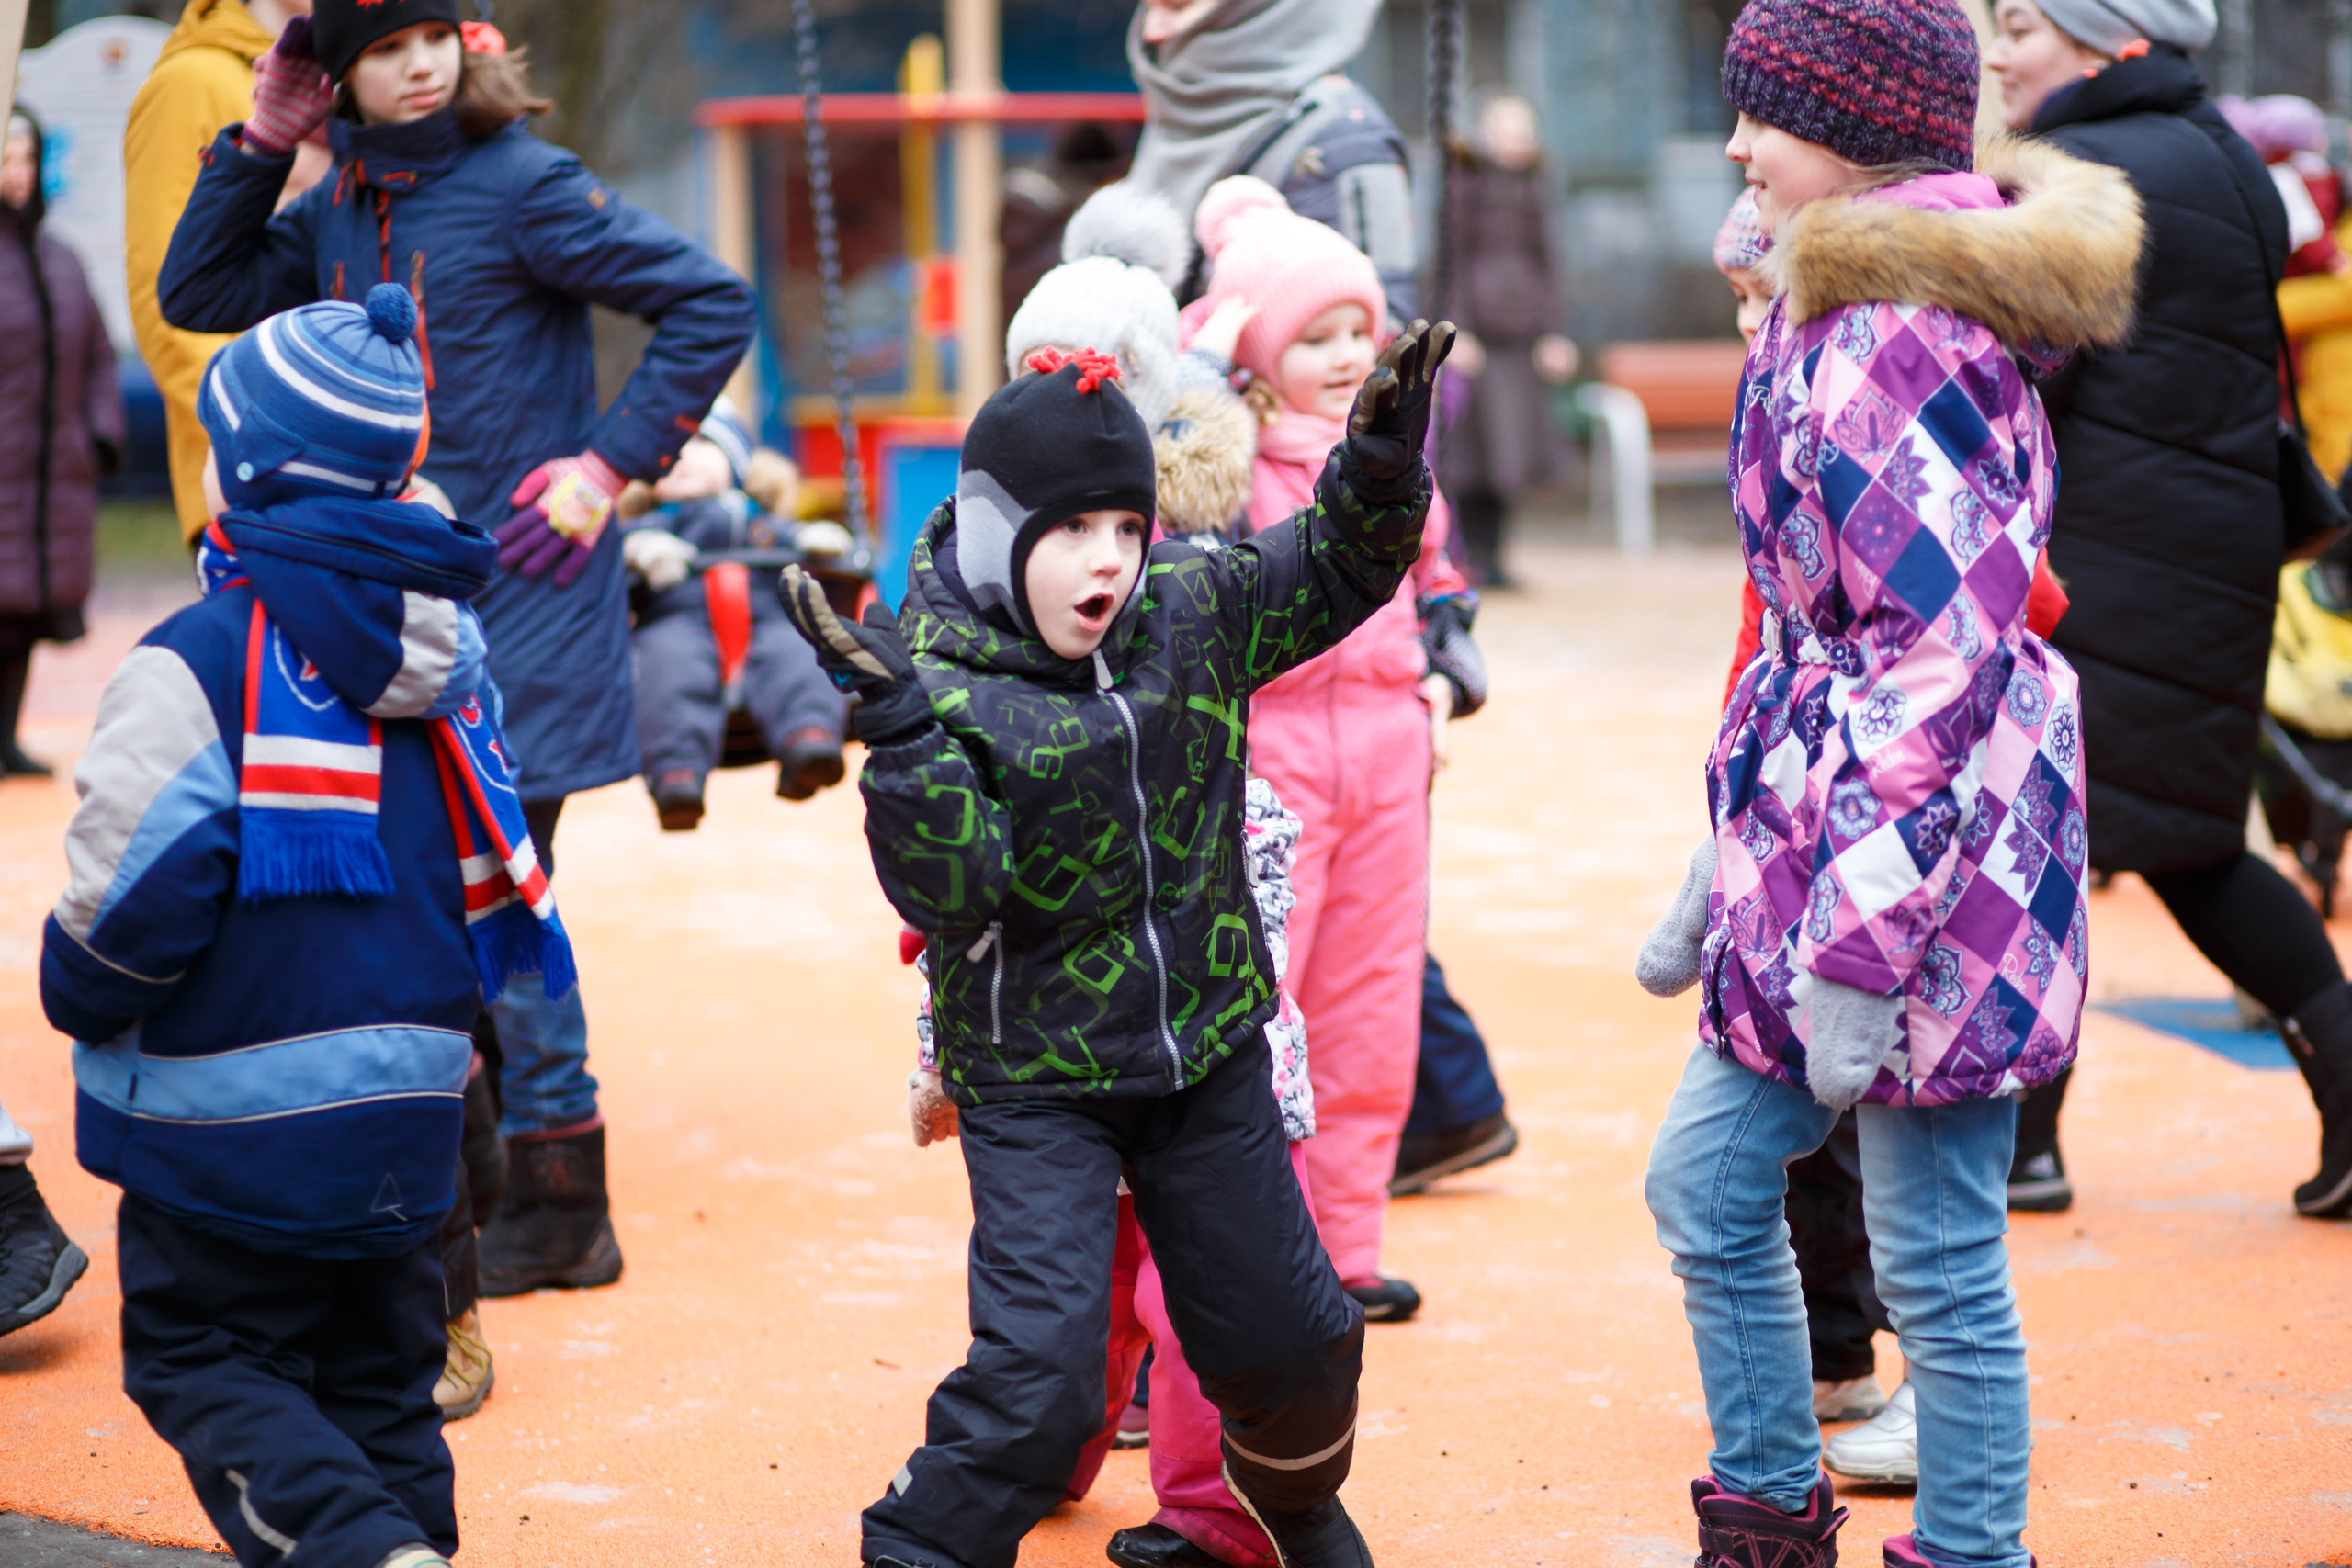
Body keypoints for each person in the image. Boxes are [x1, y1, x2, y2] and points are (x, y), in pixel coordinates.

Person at [779, 320, 1457, 1568]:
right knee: (1039, 1390)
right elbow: (954, 894)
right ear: (998, 534)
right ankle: (920, 1547)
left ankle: (1291, 1508)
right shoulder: (941, 682)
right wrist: (907, 742)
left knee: (1297, 1342)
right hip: (1037, 1077)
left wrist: (1374, 471)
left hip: (1205, 1050)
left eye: (1127, 526)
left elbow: (1332, 568)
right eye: (1072, 529)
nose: (1109, 557)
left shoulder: (1187, 609)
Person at [1636, 2, 2140, 1562]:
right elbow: (1829, 640)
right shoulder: (1837, 308)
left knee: (1931, 1256)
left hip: (1933, 867)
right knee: (1719, 1187)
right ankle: (1773, 1507)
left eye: (1767, 116)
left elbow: (1931, 664)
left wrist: (1852, 949)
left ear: (1856, 135)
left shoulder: (1895, 335)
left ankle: (1960, 1544)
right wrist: (1730, 855)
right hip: (1861, 839)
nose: (1737, 145)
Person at [157, 0, 756, 1291]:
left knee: (499, 888)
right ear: (338, 75)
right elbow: (197, 291)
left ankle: (563, 1193)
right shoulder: (341, 198)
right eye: (382, 50)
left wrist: (606, 467)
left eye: (431, 35)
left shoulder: (524, 183)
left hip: (528, 593)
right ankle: (475, 1171)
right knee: (428, 894)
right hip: (407, 603)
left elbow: (712, 302)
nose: (418, 65)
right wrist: (262, 144)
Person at [40, 283, 572, 1568]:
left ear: (244, 471)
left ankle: (362, 1551)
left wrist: (77, 988)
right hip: (415, 1108)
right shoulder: (450, 656)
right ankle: (408, 1544)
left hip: (227, 1123)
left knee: (205, 1356)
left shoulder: (199, 659)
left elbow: (131, 912)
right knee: (382, 1384)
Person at [1985, 0, 2352, 1220]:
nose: (1998, 51)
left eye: (2021, 25)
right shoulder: (2223, 153)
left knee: (2057, 832)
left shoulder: (2083, 166)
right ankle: (2026, 1141)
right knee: (2167, 837)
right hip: (2210, 543)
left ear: (2104, 38)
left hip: (2107, 551)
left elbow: (2028, 375)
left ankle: (2019, 1142)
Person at [1192, 176, 1470, 1325]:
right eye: (1317, 337)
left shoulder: (1394, 459)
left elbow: (1437, 576)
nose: (1352, 354)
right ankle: (1259, 1262)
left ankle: (1346, 1244)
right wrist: (1202, 373)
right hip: (1274, 756)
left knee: (1371, 1005)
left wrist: (1448, 665)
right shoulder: (1231, 465)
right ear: (1258, 357)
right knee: (1264, 1008)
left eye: (1361, 329)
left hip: (1389, 754)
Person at [125, 0, 330, 547]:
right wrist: (262, 443)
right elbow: (166, 308)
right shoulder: (193, 80)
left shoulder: (362, 69)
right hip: (255, 485)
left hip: (358, 469)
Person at [621, 409, 849, 827]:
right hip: (678, 619)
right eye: (667, 448)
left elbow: (787, 536)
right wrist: (644, 549)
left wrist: (809, 538)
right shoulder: (655, 520)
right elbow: (621, 544)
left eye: (701, 443)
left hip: (768, 617)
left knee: (799, 653)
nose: (681, 456)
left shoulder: (755, 518)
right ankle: (676, 774)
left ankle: (809, 739)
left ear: (737, 459)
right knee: (668, 669)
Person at [1125, 0, 1415, 317]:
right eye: (1151, 7)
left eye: (1178, 6)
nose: (1151, 31)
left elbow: (1378, 331)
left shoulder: (1344, 140)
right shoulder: (1184, 114)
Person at [1, 108, 122, 779]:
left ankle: (7, 737)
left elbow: (98, 353)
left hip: (51, 475)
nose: (16, 175)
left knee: (23, 615)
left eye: (26, 159)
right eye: (5, 160)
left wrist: (100, 434)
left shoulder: (62, 259)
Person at [1436, 90, 1577, 588]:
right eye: (1508, 130)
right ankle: (1469, 554)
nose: (1518, 141)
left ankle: (1495, 555)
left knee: (1511, 453)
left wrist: (1554, 331)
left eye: (1525, 131)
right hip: (1478, 341)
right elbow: (1449, 260)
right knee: (1474, 454)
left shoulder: (1537, 187)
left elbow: (1549, 261)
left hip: (1522, 339)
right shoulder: (1462, 184)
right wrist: (1456, 330)